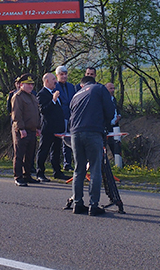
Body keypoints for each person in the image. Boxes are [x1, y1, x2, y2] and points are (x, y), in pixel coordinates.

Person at [69, 75, 116, 216]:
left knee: (79, 169)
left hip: (75, 133)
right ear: (93, 82)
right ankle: (93, 205)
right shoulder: (99, 88)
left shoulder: (76, 95)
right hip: (93, 131)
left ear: (81, 85)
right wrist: (105, 125)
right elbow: (110, 110)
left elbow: (71, 113)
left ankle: (77, 203)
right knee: (95, 168)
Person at [11, 73, 42, 186]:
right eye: (28, 84)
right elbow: (16, 115)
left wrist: (38, 127)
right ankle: (18, 176)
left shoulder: (32, 96)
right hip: (22, 130)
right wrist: (21, 128)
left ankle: (27, 175)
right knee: (19, 154)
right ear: (21, 85)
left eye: (31, 84)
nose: (30, 86)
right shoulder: (18, 97)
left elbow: (36, 113)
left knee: (30, 154)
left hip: (32, 130)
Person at [36, 73, 68, 182]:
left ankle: (57, 172)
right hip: (48, 128)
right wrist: (53, 100)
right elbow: (43, 110)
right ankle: (40, 172)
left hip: (57, 128)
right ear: (46, 81)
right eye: (53, 79)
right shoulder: (42, 94)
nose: (55, 81)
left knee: (56, 151)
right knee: (44, 150)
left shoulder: (54, 92)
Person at [55, 65, 76, 171]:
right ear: (57, 75)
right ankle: (58, 164)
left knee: (70, 140)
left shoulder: (71, 86)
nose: (64, 76)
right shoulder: (55, 86)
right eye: (61, 74)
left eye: (65, 74)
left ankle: (68, 163)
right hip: (60, 116)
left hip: (71, 116)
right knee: (60, 141)